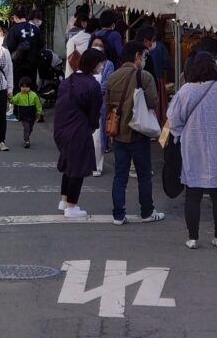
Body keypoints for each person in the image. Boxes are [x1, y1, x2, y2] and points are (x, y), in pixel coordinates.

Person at [167, 51, 217, 249]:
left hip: (193, 147)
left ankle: (192, 238)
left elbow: (174, 121)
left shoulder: (185, 91)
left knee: (193, 193)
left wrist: (182, 132)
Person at [104, 42, 164, 226]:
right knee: (144, 174)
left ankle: (118, 214)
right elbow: (153, 100)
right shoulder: (144, 76)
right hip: (139, 133)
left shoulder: (112, 77)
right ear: (137, 56)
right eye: (144, 56)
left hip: (119, 132)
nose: (145, 60)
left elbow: (108, 103)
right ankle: (146, 211)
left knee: (120, 176)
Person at [54, 48, 105, 218]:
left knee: (68, 165)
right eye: (100, 63)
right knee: (77, 169)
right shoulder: (92, 84)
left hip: (61, 128)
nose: (102, 67)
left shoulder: (67, 81)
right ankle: (71, 206)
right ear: (93, 64)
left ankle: (64, 200)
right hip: (79, 130)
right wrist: (92, 126)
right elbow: (94, 112)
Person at [88, 38, 116, 176]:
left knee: (98, 138)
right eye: (95, 45)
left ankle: (97, 166)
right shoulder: (85, 62)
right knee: (86, 136)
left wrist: (92, 89)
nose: (98, 47)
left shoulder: (108, 64)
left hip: (100, 104)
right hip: (86, 104)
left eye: (100, 45)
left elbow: (108, 83)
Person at [138, 27, 170, 122]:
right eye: (151, 40)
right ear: (145, 40)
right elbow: (166, 64)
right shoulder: (159, 48)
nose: (152, 43)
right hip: (155, 80)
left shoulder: (133, 50)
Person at [6, 6, 41, 87]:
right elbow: (40, 46)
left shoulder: (13, 30)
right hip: (32, 65)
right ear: (26, 16)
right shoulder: (35, 29)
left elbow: (10, 47)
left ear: (15, 17)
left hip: (18, 66)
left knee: (18, 88)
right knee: (31, 88)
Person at [10, 77, 43, 149]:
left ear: (30, 87)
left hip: (32, 114)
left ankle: (27, 136)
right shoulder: (19, 95)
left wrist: (39, 113)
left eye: (26, 87)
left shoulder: (34, 95)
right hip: (23, 114)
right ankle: (26, 140)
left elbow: (38, 104)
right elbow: (13, 101)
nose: (24, 88)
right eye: (22, 87)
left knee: (30, 128)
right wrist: (9, 98)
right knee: (27, 127)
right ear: (20, 87)